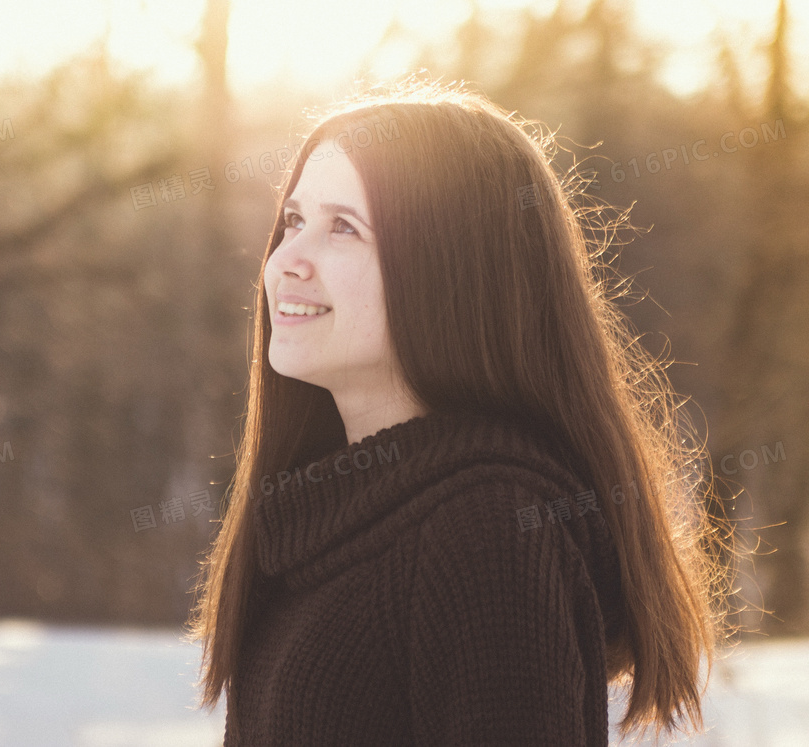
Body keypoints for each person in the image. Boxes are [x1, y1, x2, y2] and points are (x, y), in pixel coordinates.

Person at [185, 79, 734, 746]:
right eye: (294, 221)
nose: (284, 262)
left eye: (343, 228)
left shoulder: (488, 534)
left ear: (451, 270)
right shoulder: (320, 521)